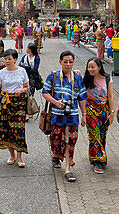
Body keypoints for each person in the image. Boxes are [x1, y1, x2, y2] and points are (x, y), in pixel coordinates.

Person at [42, 51, 86, 182]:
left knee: (70, 141)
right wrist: (56, 102)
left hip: (72, 117)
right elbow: (45, 92)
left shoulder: (78, 78)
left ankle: (68, 168)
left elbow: (82, 98)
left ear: (73, 62)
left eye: (70, 61)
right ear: (60, 62)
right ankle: (56, 155)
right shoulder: (53, 76)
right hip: (57, 116)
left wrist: (84, 114)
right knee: (56, 139)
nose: (68, 64)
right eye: (65, 61)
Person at [0, 48, 29, 167]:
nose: (7, 61)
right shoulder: (1, 73)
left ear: (15, 59)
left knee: (19, 130)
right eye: (5, 59)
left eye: (9, 59)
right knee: (6, 130)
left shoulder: (22, 71)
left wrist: (21, 90)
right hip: (5, 104)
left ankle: (19, 157)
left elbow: (27, 87)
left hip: (19, 104)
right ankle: (12, 155)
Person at [84, 57, 116, 174]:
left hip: (104, 110)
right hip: (90, 111)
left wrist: (112, 113)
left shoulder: (107, 78)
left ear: (99, 67)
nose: (90, 69)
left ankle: (101, 155)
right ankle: (96, 161)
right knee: (94, 134)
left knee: (102, 135)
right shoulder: (86, 79)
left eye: (92, 67)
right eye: (88, 67)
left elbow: (111, 96)